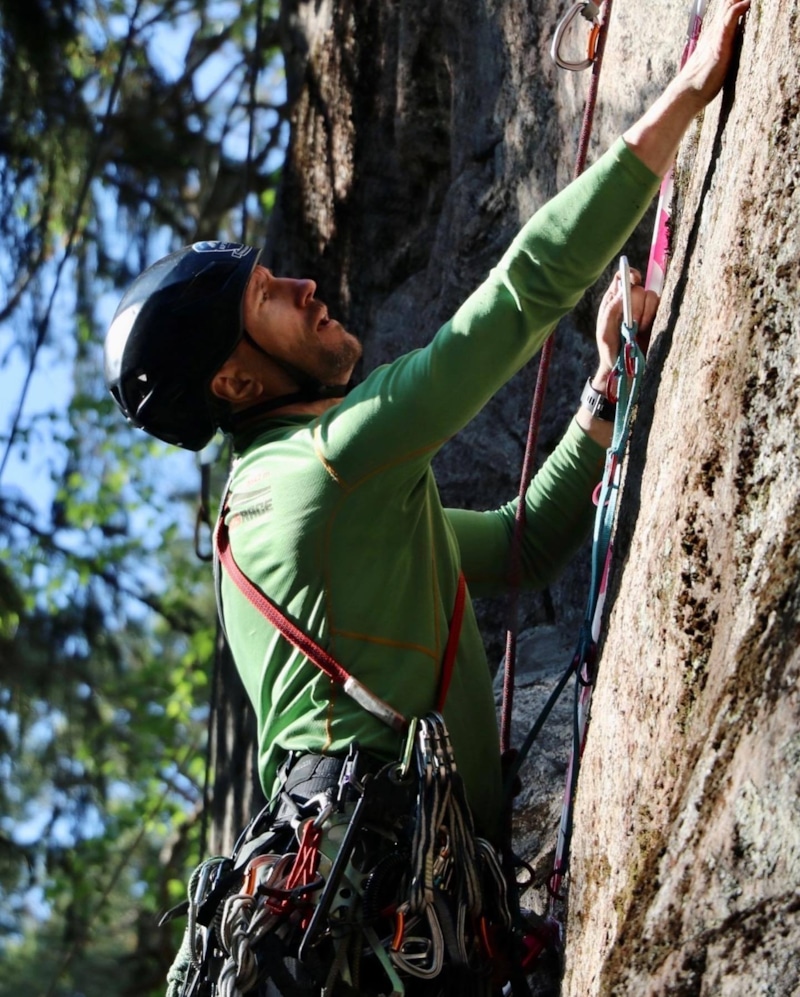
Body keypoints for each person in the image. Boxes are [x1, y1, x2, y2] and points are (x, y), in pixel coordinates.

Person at [104, 0, 748, 986]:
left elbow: (521, 545)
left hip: (406, 917)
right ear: (232, 383)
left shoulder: (291, 504)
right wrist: (686, 91)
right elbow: (516, 298)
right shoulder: (311, 474)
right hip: (401, 923)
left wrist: (605, 386)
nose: (307, 287)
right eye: (268, 298)